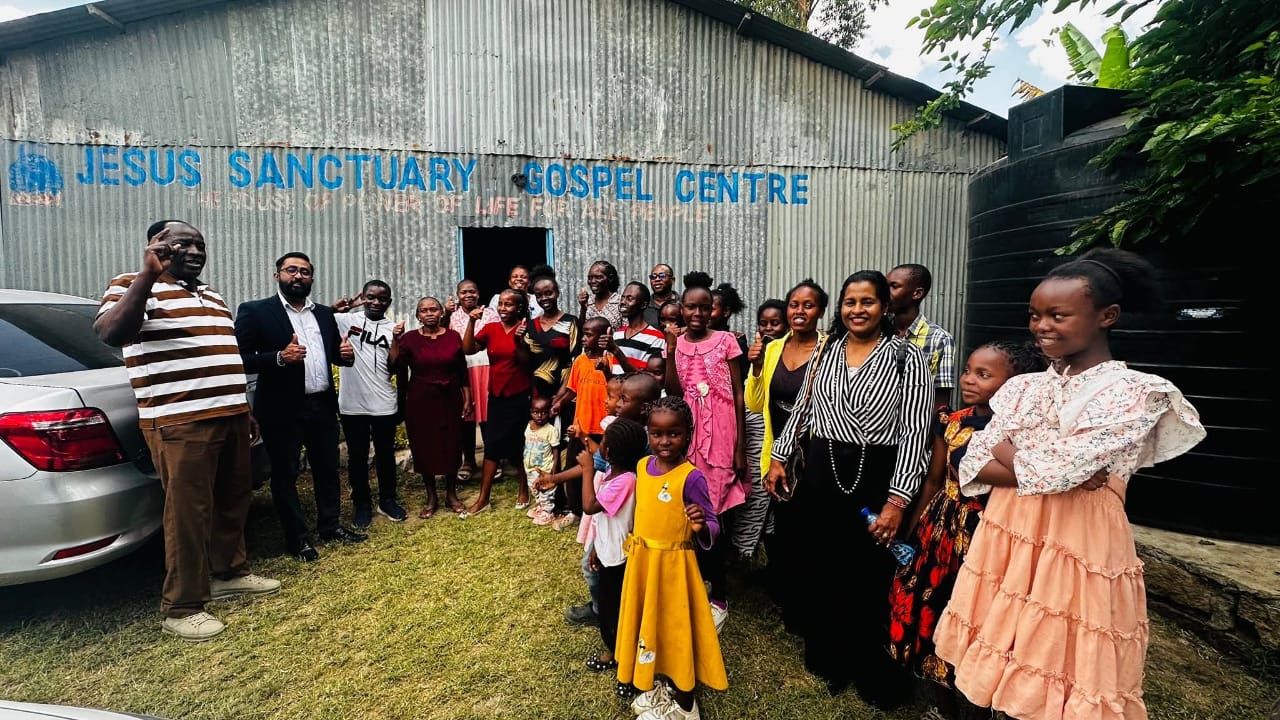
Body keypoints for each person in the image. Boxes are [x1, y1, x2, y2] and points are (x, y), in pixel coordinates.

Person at [932, 249, 1207, 720]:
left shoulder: (1135, 393)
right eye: (1035, 315)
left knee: (1060, 654)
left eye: (1058, 315)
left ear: (1107, 316)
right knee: (1002, 644)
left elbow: (1047, 467)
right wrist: (1051, 465)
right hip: (1009, 533)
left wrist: (1015, 451)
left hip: (1074, 543)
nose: (1042, 326)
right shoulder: (1023, 388)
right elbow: (974, 463)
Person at [94, 220, 279, 642]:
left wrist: (242, 407)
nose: (194, 251)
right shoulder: (130, 285)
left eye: (199, 244)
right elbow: (111, 333)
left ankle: (228, 572)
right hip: (180, 420)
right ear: (155, 247)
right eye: (182, 244)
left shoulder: (211, 295)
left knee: (233, 497)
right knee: (188, 512)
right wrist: (147, 274)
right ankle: (182, 606)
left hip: (231, 413)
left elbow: (222, 355)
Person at [763, 269, 933, 707]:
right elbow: (803, 410)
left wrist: (897, 501)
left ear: (884, 307)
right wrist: (780, 457)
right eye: (850, 302)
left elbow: (915, 433)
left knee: (869, 574)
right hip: (821, 472)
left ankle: (870, 668)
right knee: (822, 564)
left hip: (876, 476)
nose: (858, 310)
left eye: (867, 302)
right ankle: (830, 657)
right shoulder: (827, 351)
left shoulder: (907, 357)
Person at [887, 340, 1047, 719]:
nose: (968, 380)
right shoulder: (951, 422)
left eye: (983, 374)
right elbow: (934, 480)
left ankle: (983, 703)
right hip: (942, 529)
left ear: (1015, 384)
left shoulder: (1023, 433)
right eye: (968, 370)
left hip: (993, 534)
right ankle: (943, 705)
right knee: (933, 605)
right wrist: (913, 530)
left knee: (986, 618)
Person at [234, 251, 365, 563]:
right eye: (291, 270)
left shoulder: (324, 314)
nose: (298, 276)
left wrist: (345, 356)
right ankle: (298, 538)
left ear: (312, 278)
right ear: (277, 275)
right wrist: (279, 357)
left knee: (327, 468)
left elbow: (333, 355)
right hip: (281, 409)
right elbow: (239, 358)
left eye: (305, 272)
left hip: (322, 405)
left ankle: (330, 526)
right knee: (286, 474)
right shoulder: (256, 311)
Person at [616, 396, 728, 719]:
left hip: (675, 570)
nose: (664, 441)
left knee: (676, 634)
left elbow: (713, 525)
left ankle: (685, 704)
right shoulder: (641, 467)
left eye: (673, 434)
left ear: (688, 434)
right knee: (650, 627)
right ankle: (658, 684)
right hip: (644, 565)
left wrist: (700, 526)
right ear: (647, 432)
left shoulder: (691, 478)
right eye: (657, 434)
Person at [663, 271, 746, 633]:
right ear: (681, 309)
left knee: (717, 516)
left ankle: (720, 595)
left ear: (714, 309)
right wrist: (670, 350)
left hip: (723, 436)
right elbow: (673, 390)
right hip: (691, 437)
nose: (698, 313)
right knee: (692, 509)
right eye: (691, 307)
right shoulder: (677, 343)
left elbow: (739, 395)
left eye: (705, 307)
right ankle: (695, 581)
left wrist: (740, 447)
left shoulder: (727, 341)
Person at [549, 372, 663, 629]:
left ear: (644, 407)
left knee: (609, 573)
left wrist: (586, 467)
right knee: (599, 567)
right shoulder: (619, 431)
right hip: (610, 523)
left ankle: (608, 614)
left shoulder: (646, 442)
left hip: (625, 527)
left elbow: (591, 495)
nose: (617, 403)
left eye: (624, 399)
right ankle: (606, 609)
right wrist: (555, 478)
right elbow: (598, 462)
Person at [744, 281, 827, 594]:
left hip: (816, 452)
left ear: (820, 311)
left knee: (813, 525)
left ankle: (811, 591)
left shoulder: (831, 349)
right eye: (794, 304)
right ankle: (787, 590)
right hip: (777, 451)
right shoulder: (773, 348)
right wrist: (756, 368)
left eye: (808, 305)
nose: (800, 311)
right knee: (785, 522)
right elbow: (755, 404)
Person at [330, 280, 408, 527]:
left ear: (389, 302)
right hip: (352, 403)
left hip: (384, 402)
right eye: (370, 297)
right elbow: (316, 320)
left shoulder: (393, 329)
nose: (376, 302)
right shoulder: (345, 321)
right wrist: (337, 309)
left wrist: (397, 340)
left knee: (385, 455)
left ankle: (387, 500)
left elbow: (396, 368)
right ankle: (361, 503)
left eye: (382, 299)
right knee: (357, 456)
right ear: (363, 298)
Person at [578, 417, 649, 676]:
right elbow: (606, 519)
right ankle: (618, 649)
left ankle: (620, 655)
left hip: (620, 559)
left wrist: (588, 469)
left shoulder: (625, 481)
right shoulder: (615, 475)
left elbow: (590, 506)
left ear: (608, 452)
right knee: (611, 609)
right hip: (609, 553)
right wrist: (597, 547)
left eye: (603, 442)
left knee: (615, 612)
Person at [394, 297, 470, 518]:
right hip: (420, 399)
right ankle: (431, 496)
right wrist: (396, 341)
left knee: (451, 444)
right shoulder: (409, 339)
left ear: (441, 313)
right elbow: (397, 367)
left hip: (450, 398)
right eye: (424, 310)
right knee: (424, 446)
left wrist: (467, 398)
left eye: (433, 309)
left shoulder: (453, 336)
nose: (429, 314)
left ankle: (451, 494)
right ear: (418, 315)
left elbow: (462, 370)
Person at [460, 288, 533, 517]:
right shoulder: (491, 329)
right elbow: (468, 349)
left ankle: (524, 489)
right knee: (491, 445)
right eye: (500, 304)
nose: (503, 308)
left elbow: (527, 362)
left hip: (520, 395)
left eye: (508, 304)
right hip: (496, 395)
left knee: (519, 445)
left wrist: (520, 340)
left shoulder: (527, 329)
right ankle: (483, 499)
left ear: (519, 308)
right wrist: (472, 322)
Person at [729, 298, 786, 563]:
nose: (769, 328)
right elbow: (749, 398)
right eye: (764, 323)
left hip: (783, 438)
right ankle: (745, 557)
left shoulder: (794, 354)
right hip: (756, 439)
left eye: (775, 323)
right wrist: (757, 364)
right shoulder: (753, 353)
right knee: (755, 497)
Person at [448, 279, 500, 481]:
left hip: (487, 367)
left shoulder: (491, 314)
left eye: (472, 291)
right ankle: (468, 460)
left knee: (488, 416)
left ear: (478, 294)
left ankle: (491, 459)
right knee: (466, 417)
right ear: (458, 295)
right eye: (464, 292)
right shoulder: (452, 316)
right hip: (463, 371)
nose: (468, 295)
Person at [887, 263, 956, 410]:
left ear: (917, 293)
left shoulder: (939, 339)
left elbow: (940, 401)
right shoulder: (878, 331)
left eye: (894, 286)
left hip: (916, 421)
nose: (885, 293)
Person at [523, 395, 561, 526]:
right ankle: (540, 507)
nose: (539, 416)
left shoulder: (551, 430)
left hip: (544, 468)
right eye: (536, 412)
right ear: (530, 412)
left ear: (549, 412)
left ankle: (548, 512)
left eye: (543, 412)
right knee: (534, 488)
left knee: (546, 490)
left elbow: (555, 450)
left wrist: (554, 469)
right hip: (530, 467)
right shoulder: (528, 426)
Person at [614, 281, 667, 372]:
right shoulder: (617, 334)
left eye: (629, 299)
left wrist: (615, 350)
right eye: (622, 298)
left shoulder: (656, 338)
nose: (623, 302)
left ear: (643, 305)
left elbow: (645, 376)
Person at [578, 260, 623, 329]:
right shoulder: (588, 302)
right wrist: (583, 308)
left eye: (598, 277)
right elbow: (580, 330)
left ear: (610, 278)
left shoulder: (620, 302)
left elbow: (627, 329)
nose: (592, 281)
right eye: (590, 278)